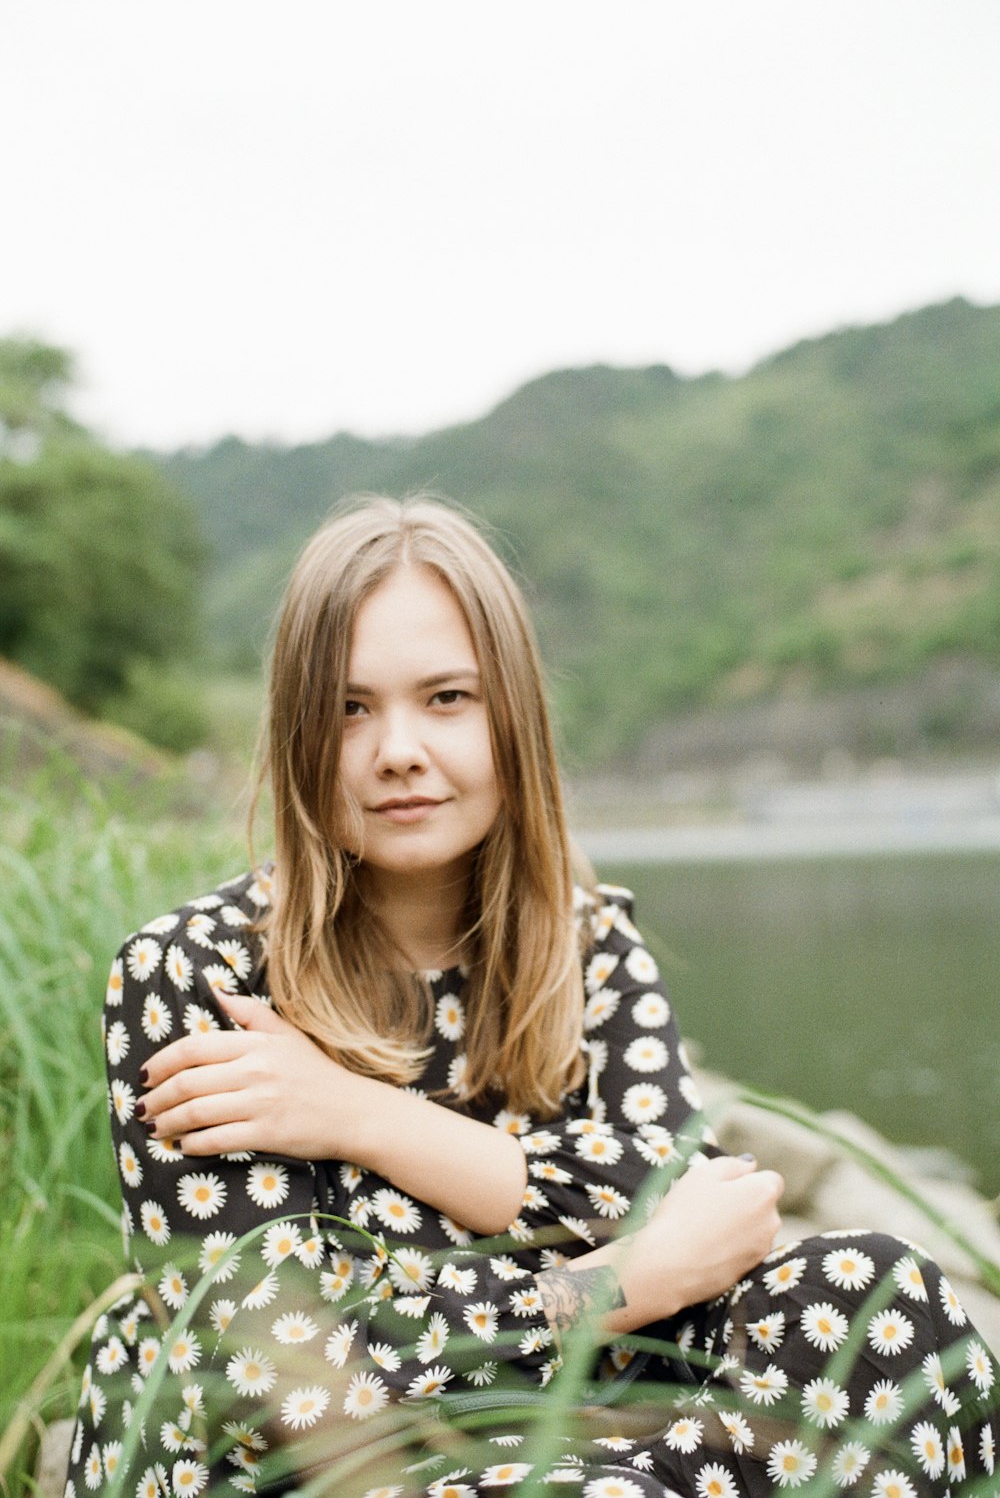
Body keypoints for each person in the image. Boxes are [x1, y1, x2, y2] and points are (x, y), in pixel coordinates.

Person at [66, 497, 998, 1498]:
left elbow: (689, 1211)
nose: (398, 749)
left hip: (602, 1432)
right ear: (297, 732)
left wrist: (356, 1115)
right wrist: (613, 1278)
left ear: (512, 714)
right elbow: (275, 1384)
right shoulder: (197, 975)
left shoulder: (585, 944)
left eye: (447, 697)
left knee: (872, 1291)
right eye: (348, 706)